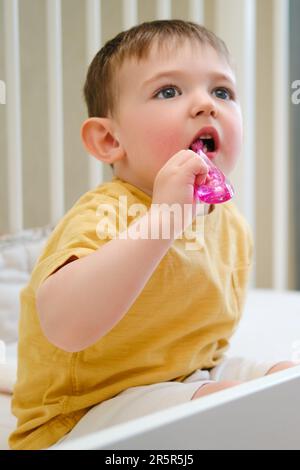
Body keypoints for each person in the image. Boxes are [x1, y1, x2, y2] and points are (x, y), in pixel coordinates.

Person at [9, 20, 298, 450]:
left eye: (222, 92)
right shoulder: (106, 212)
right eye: (169, 91)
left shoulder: (229, 223)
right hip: (83, 412)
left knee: (284, 382)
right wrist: (162, 221)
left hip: (181, 377)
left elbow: (206, 345)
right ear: (109, 140)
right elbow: (64, 326)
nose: (206, 104)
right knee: (228, 409)